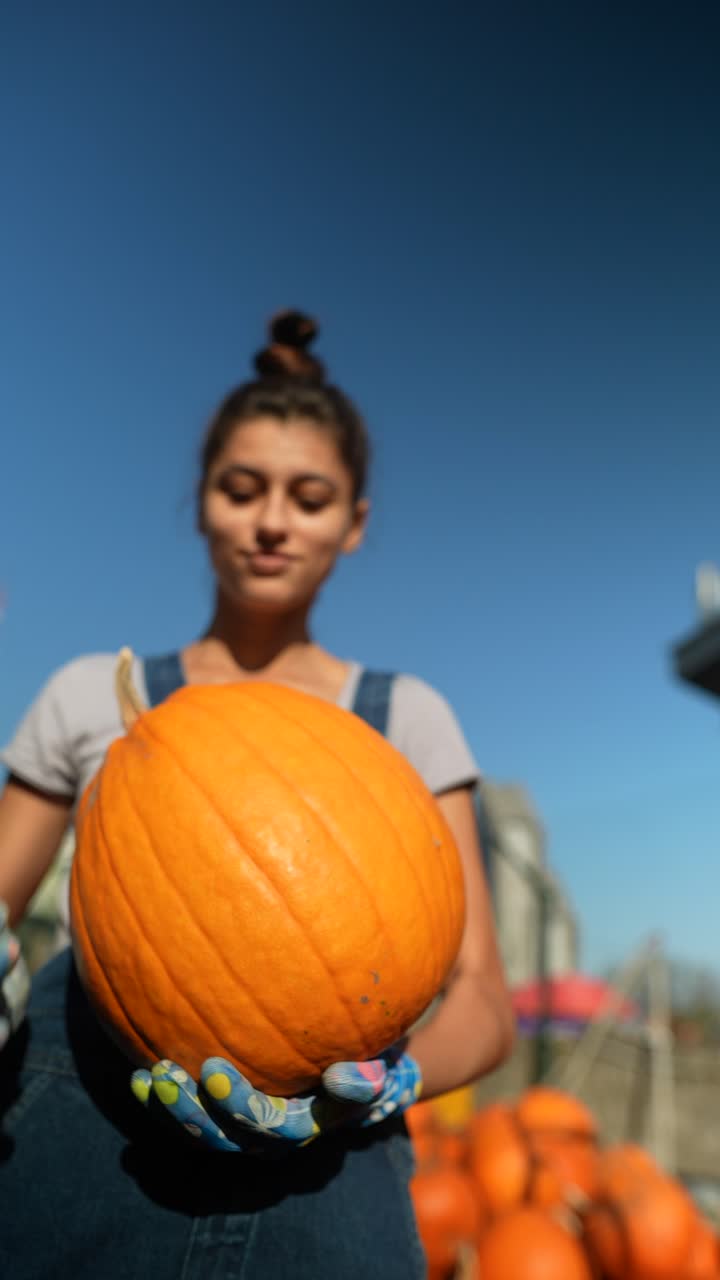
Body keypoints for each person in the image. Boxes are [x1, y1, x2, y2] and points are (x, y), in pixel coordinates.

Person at [0, 311, 514, 1279]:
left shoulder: (406, 713)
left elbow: (484, 994)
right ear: (201, 502)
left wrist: (387, 1086)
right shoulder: (86, 693)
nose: (272, 520)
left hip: (337, 1173)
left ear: (354, 521)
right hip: (81, 1137)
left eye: (309, 496)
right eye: (242, 489)